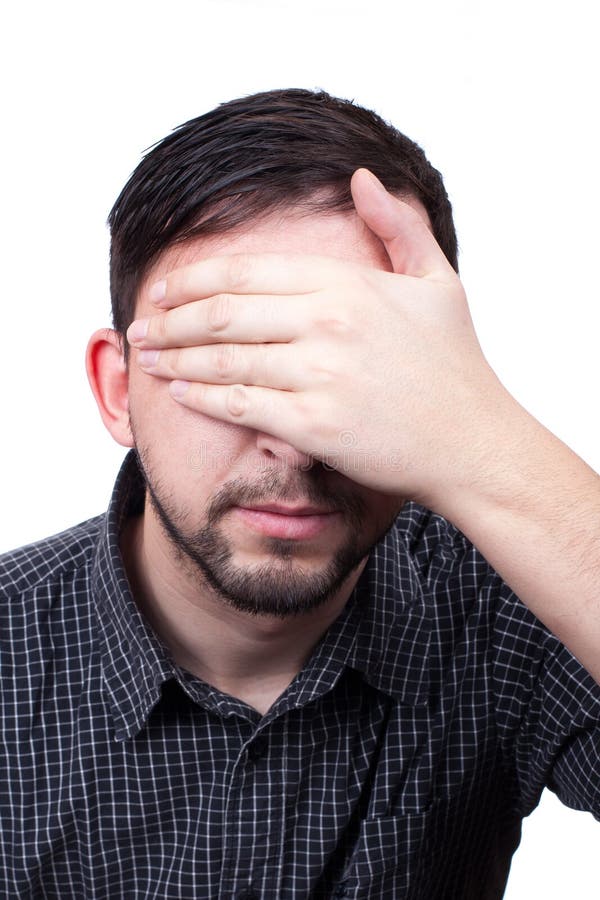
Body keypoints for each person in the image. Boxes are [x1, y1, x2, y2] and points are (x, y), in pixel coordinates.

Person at [0, 88, 598, 899]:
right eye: (233, 360)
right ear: (118, 390)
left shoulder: (510, 604)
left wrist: (486, 441)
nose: (297, 443)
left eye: (351, 371)